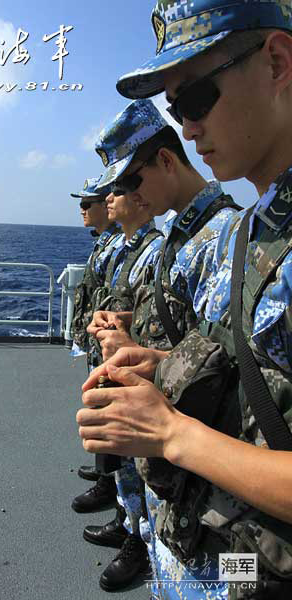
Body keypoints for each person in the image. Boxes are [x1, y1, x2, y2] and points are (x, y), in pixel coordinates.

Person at [78, 1, 292, 598]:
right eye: (176, 110)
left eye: (196, 98)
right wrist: (160, 364)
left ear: (276, 61)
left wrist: (172, 432)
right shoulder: (256, 227)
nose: (189, 127)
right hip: (230, 553)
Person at [85, 101, 239, 593]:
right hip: (176, 476)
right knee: (173, 571)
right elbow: (190, 333)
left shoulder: (224, 237)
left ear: (166, 162)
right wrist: (132, 328)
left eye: (130, 184)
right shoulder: (179, 234)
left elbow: (235, 374)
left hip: (214, 489)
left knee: (237, 580)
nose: (122, 196)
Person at [73, 100, 165, 591]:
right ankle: (131, 527)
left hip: (142, 385)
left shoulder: (156, 250)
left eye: (121, 188)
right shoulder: (126, 249)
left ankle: (141, 541)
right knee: (126, 468)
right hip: (117, 367)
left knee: (141, 470)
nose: (109, 199)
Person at [69, 176, 122, 485]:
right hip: (95, 342)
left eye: (87, 203)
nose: (81, 209)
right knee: (99, 406)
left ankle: (109, 483)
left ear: (106, 204)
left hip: (108, 344)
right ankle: (105, 474)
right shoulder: (104, 242)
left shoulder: (118, 245)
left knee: (109, 411)